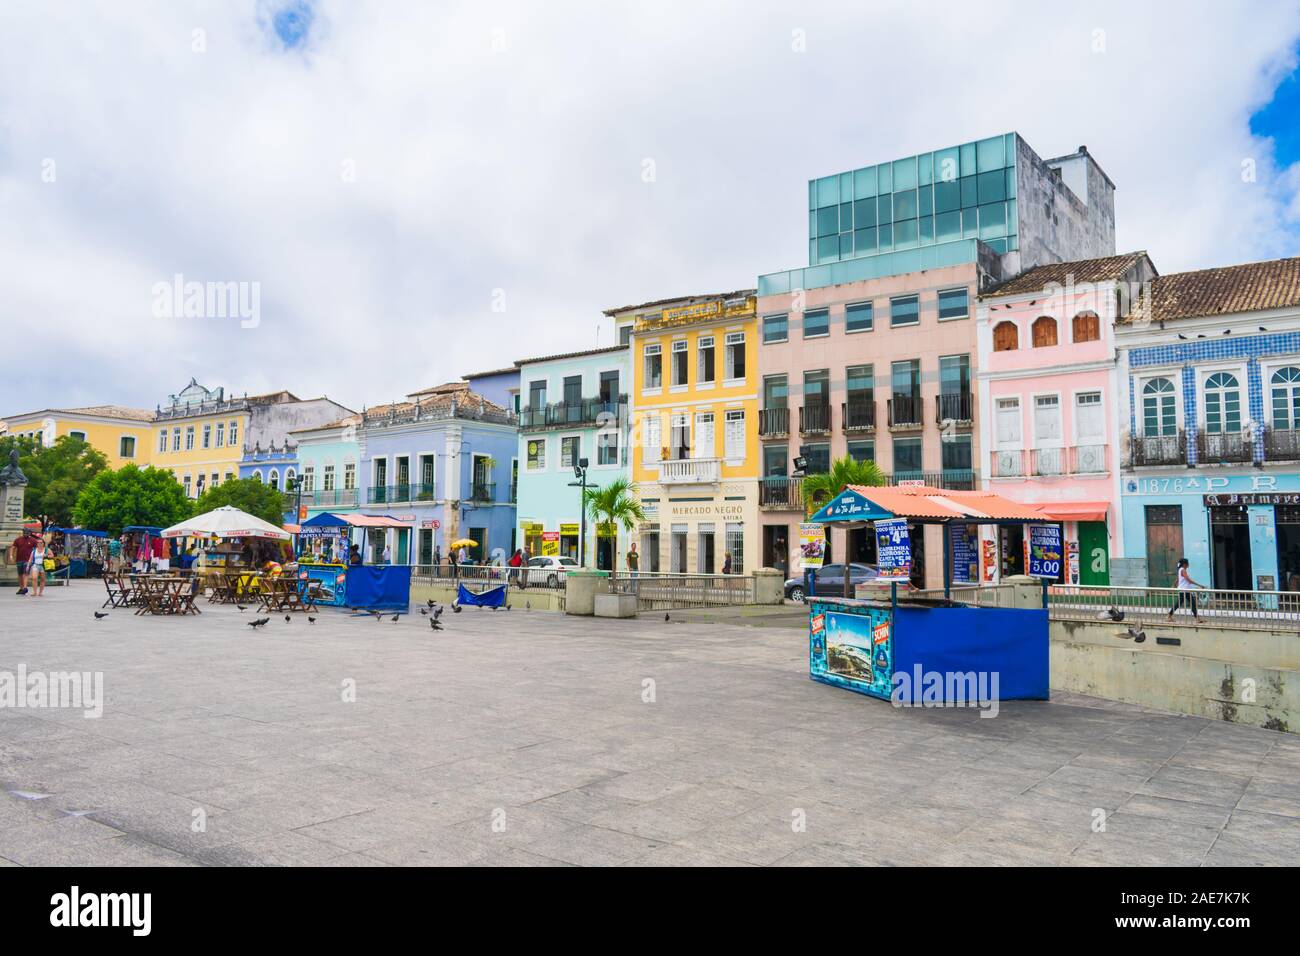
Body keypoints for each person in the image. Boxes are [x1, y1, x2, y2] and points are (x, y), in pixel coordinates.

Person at [12, 528, 40, 595]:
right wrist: (11, 555)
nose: (26, 534)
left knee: (25, 573)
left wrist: (35, 558)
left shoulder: (33, 540)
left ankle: (25, 587)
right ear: (23, 532)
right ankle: (21, 588)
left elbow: (37, 549)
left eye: (27, 533)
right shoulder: (18, 540)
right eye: (25, 533)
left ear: (30, 533)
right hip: (19, 559)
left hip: (28, 560)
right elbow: (13, 547)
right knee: (20, 575)